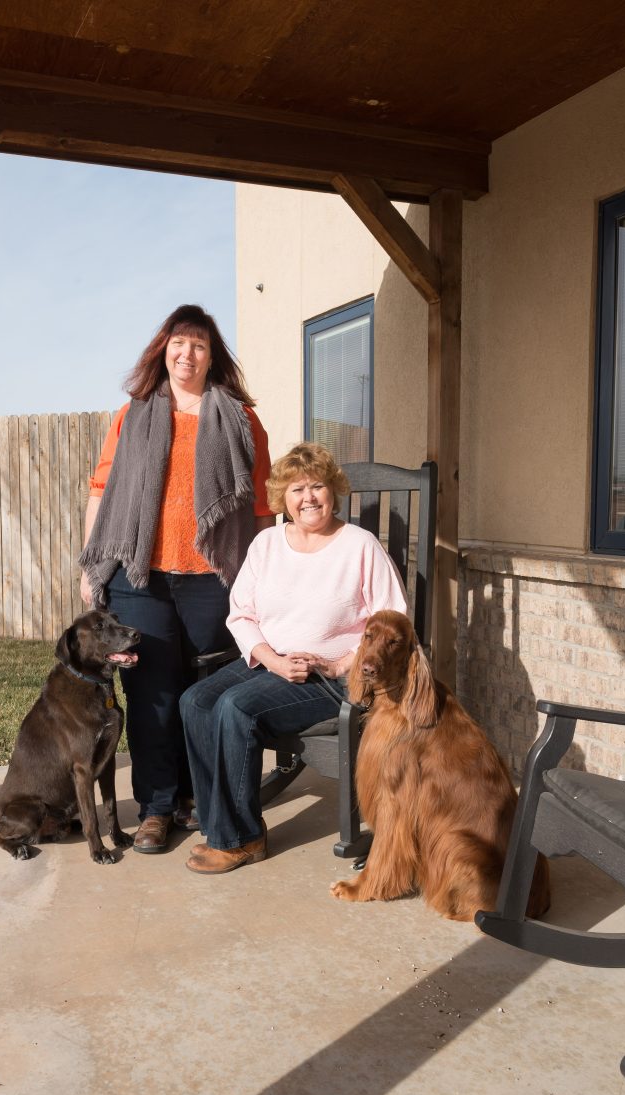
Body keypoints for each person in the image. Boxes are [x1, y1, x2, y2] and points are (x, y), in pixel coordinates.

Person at [79, 304, 273, 854]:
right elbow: (101, 491)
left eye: (200, 345)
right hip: (139, 576)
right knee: (151, 697)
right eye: (179, 344)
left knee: (204, 693)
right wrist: (92, 568)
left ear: (214, 357)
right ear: (163, 350)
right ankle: (157, 808)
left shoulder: (240, 418)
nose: (188, 354)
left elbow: (259, 505)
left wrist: (256, 575)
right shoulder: (132, 414)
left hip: (214, 578)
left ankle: (198, 796)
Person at [179, 441, 408, 875]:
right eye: (297, 489)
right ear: (283, 497)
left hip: (331, 675)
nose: (308, 498)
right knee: (196, 701)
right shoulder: (267, 544)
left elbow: (393, 620)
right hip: (274, 663)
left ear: (333, 492)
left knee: (236, 707)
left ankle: (242, 839)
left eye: (317, 486)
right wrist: (270, 658)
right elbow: (242, 614)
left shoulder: (359, 546)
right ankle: (217, 820)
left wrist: (343, 664)